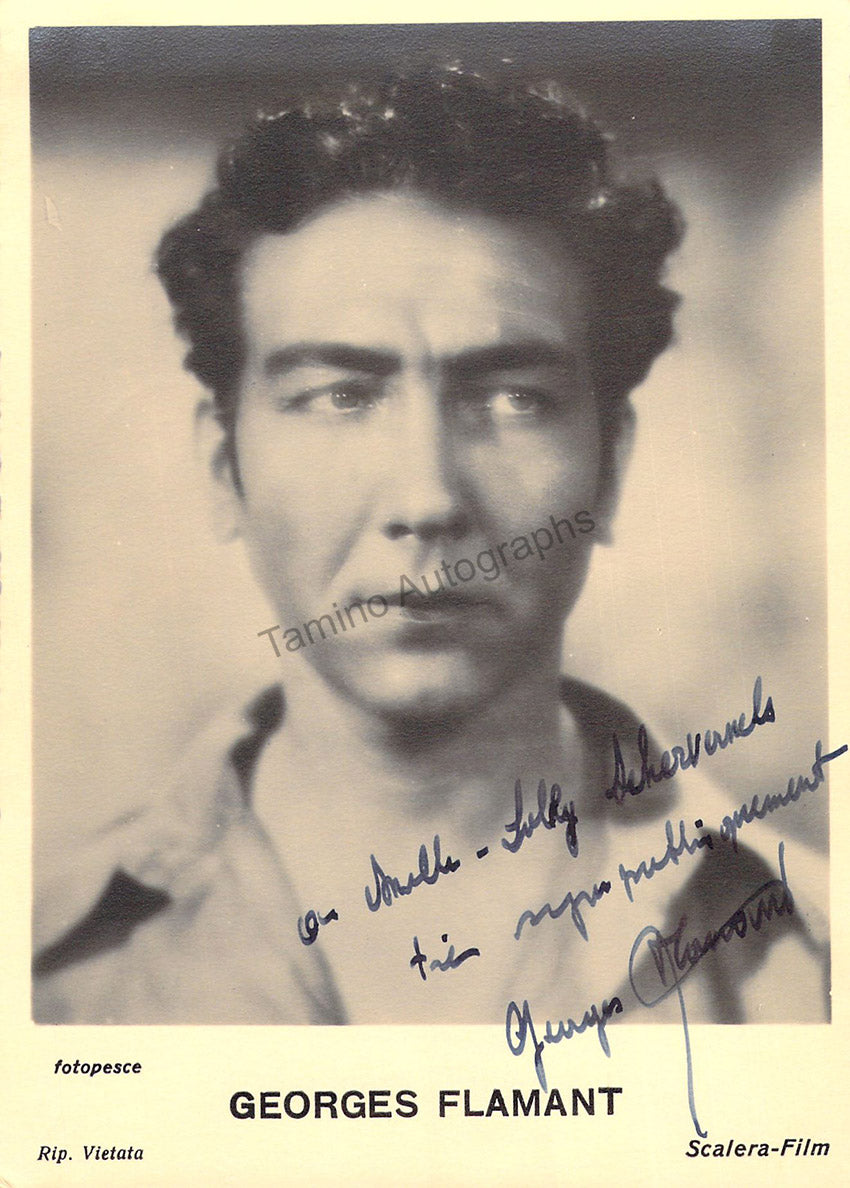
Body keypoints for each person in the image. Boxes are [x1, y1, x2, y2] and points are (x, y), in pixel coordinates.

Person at [33, 64, 829, 1027]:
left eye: (515, 400)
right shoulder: (41, 980)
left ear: (611, 467)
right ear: (223, 466)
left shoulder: (814, 973)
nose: (428, 498)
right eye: (339, 396)